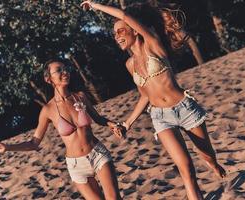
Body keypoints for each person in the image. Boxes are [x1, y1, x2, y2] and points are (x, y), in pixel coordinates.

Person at [81, 1, 226, 200]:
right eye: (115, 34)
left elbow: (124, 15)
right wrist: (127, 123)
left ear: (134, 30)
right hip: (161, 116)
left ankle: (213, 163)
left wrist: (96, 5)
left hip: (185, 108)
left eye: (121, 31)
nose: (118, 37)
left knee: (207, 154)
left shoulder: (153, 44)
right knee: (186, 169)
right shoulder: (130, 64)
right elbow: (145, 95)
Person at [0, 59, 122, 200]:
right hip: (77, 166)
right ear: (48, 78)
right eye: (59, 70)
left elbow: (98, 118)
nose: (65, 72)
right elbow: (34, 143)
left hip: (98, 154)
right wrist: (7, 147)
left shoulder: (80, 96)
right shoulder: (48, 110)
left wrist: (112, 124)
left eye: (65, 69)